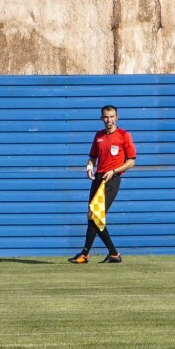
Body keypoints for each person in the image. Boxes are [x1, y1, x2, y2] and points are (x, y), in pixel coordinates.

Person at [69, 105, 136, 264]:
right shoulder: (98, 136)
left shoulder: (124, 135)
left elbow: (131, 161)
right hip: (98, 179)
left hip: (112, 179)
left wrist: (114, 171)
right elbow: (92, 157)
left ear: (117, 117)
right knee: (92, 216)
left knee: (96, 215)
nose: (109, 120)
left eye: (112, 116)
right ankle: (113, 254)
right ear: (101, 119)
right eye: (106, 117)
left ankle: (85, 254)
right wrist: (89, 167)